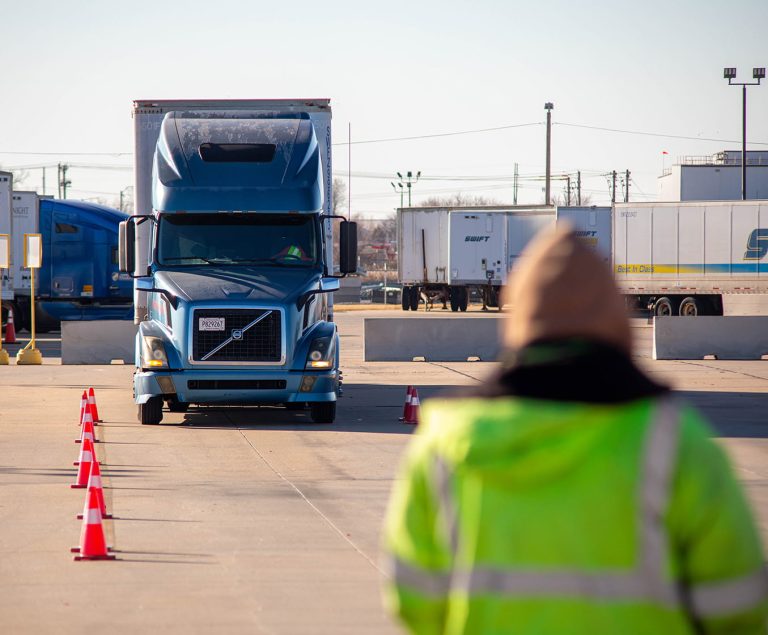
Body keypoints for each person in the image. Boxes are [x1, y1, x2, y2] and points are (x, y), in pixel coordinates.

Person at [383, 227, 768, 634]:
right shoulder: (672, 439)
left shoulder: (445, 441)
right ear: (614, 316)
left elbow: (411, 599)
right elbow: (738, 602)